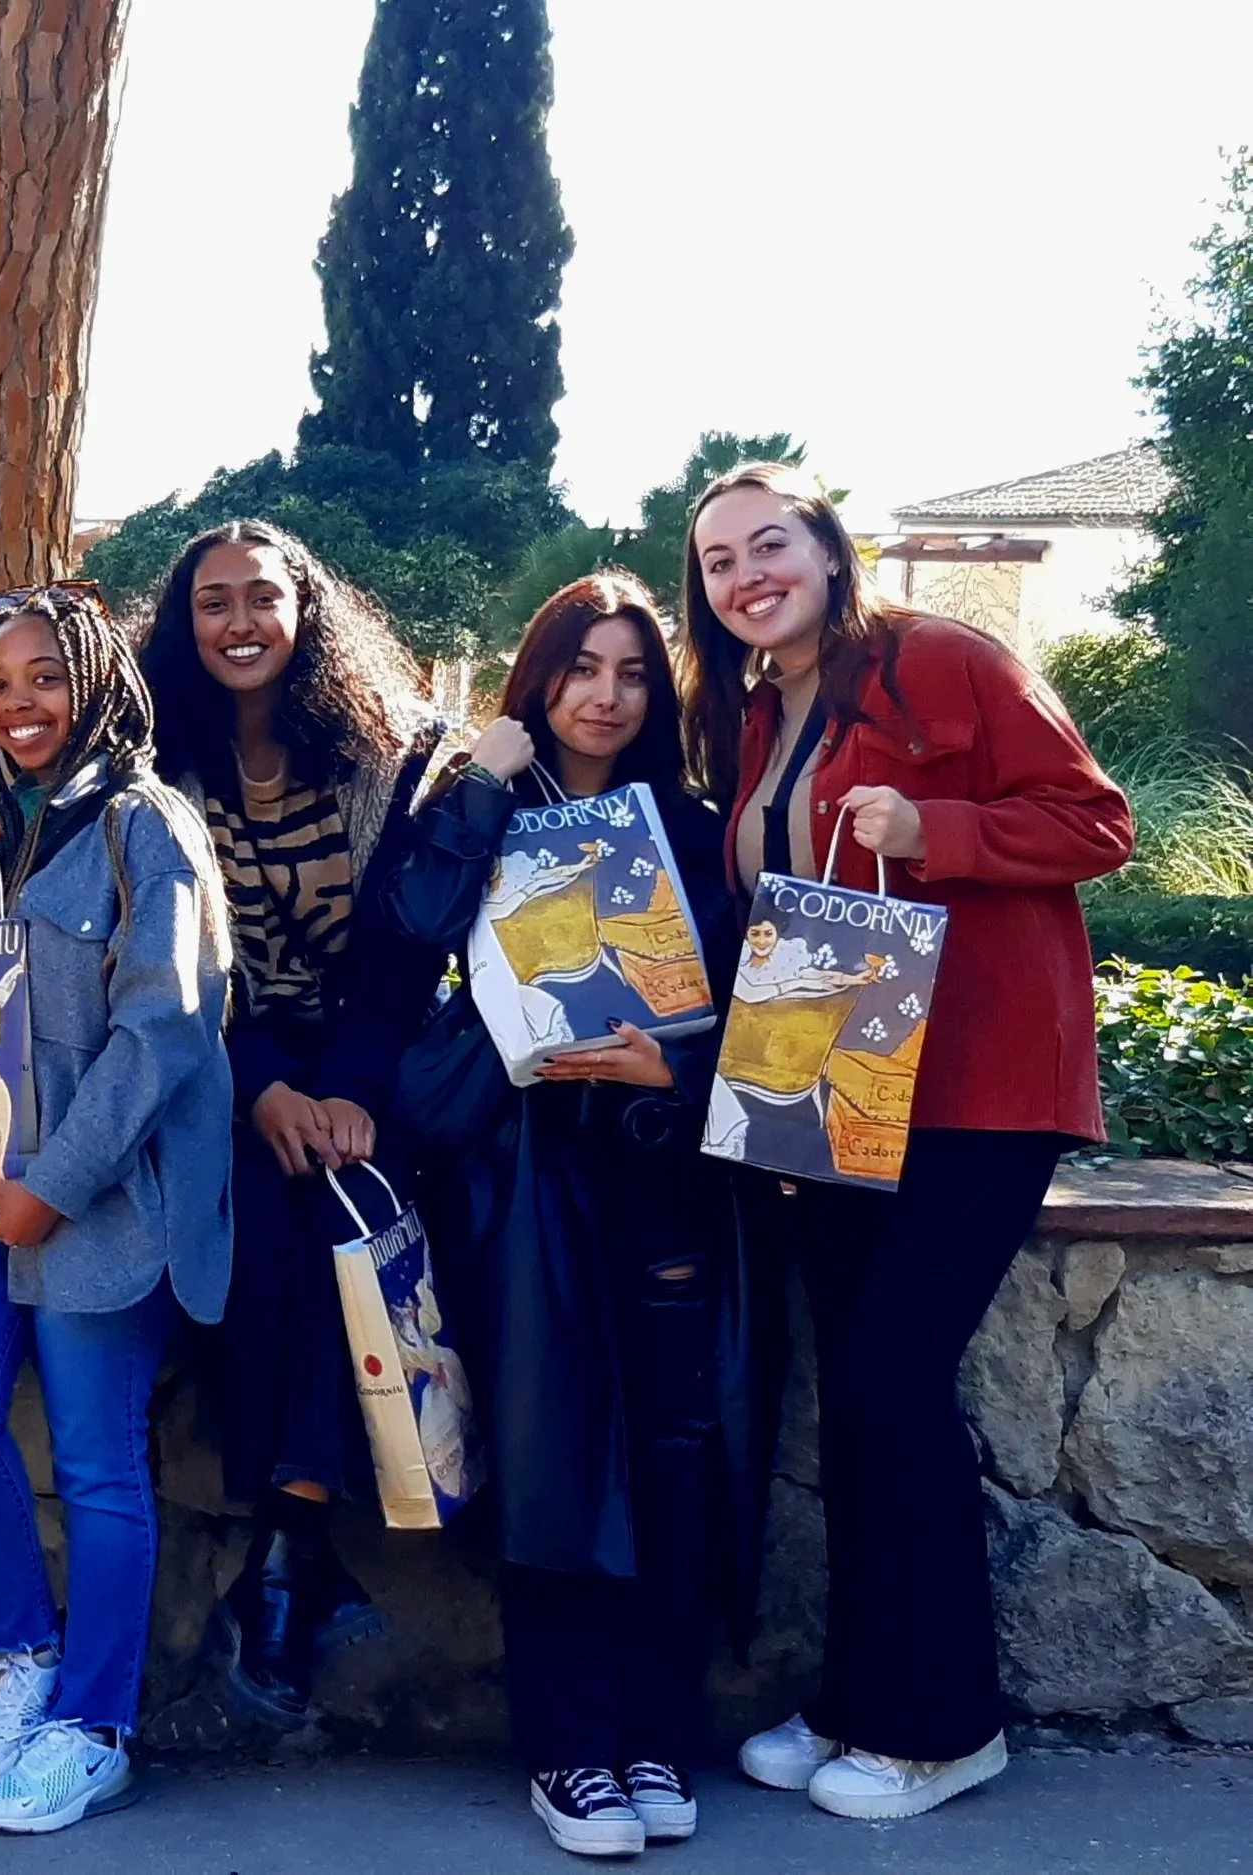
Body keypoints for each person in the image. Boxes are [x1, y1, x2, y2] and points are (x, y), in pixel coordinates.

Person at [680, 462, 1132, 1823]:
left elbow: (1096, 820)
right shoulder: (760, 716)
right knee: (861, 1405)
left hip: (979, 1089)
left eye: (769, 543)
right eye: (716, 562)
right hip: (833, 1082)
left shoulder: (940, 658)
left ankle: (946, 1724)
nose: (746, 574)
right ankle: (859, 1699)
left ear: (827, 547)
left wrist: (935, 827)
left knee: (890, 1383)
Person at [384, 572, 755, 1857]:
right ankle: (568, 1749)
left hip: (659, 1174)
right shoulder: (477, 804)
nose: (603, 695)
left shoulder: (696, 830)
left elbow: (757, 1019)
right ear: (536, 680)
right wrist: (479, 785)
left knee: (666, 1454)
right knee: (549, 1454)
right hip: (517, 1178)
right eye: (578, 668)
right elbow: (405, 938)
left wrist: (677, 1074)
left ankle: (654, 1735)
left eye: (631, 672)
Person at [0, 583, 232, 1834]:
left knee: (98, 1467)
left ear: (96, 682)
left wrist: (54, 1188)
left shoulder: (149, 827)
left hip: (97, 1201)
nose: (19, 703)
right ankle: (27, 1658)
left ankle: (96, 1725)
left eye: (45, 676)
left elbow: (163, 1032)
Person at [135, 518, 443, 1729]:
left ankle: (286, 1550)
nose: (240, 623)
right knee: (253, 1236)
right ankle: (294, 1551)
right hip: (225, 1067)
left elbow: (404, 953)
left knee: (354, 1228)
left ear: (307, 613)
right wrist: (260, 1084)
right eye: (214, 602)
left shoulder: (385, 757)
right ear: (185, 623)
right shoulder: (159, 765)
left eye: (263, 598)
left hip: (369, 1066)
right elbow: (174, 965)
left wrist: (353, 1092)